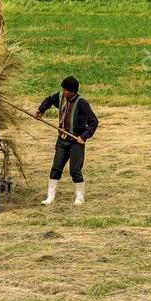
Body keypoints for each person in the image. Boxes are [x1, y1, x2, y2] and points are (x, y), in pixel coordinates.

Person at [34, 76, 99, 206]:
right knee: (56, 167)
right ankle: (50, 197)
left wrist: (84, 136)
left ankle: (80, 197)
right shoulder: (60, 98)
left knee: (75, 169)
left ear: (73, 91)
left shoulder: (82, 103)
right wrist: (40, 110)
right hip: (62, 140)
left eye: (66, 90)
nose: (63, 92)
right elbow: (49, 100)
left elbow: (94, 122)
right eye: (63, 89)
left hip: (76, 141)